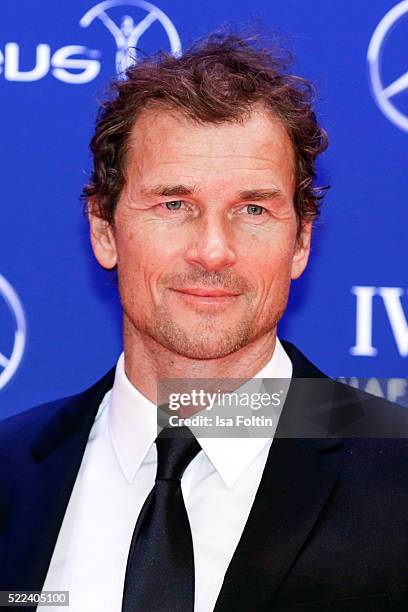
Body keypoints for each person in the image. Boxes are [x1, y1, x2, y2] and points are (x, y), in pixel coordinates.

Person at [0, 33, 407, 612]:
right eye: (174, 205)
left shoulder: (398, 470)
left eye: (253, 209)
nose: (213, 252)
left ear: (300, 243)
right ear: (104, 230)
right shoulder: (10, 472)